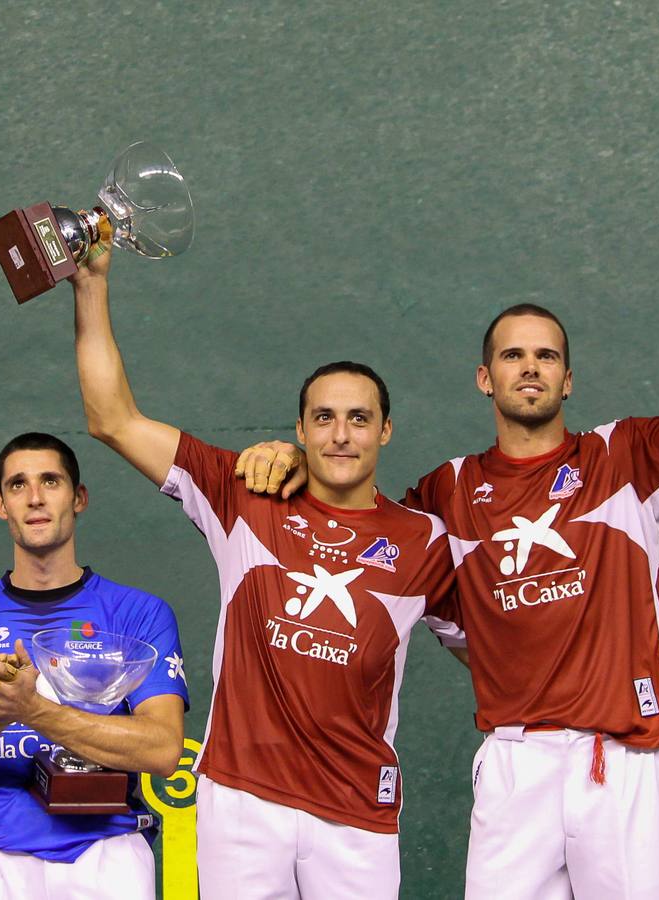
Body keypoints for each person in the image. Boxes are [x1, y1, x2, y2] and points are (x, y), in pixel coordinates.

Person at [236, 205, 659, 899]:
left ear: (568, 380)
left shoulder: (627, 457)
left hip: (624, 762)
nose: (531, 367)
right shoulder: (447, 491)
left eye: (547, 356)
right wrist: (288, 457)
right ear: (485, 378)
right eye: (513, 355)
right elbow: (355, 516)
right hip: (515, 766)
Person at [69, 232, 463, 899]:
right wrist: (91, 285)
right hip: (244, 804)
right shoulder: (242, 491)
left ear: (385, 431)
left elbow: (502, 648)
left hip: (358, 818)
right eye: (324, 418)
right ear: (301, 428)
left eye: (359, 419)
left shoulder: (425, 540)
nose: (341, 435)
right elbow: (112, 419)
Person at [0, 432, 188, 900]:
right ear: (1, 504)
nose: (35, 498)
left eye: (51, 481)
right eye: (18, 485)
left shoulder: (140, 614)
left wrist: (31, 710)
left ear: (79, 498)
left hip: (107, 851)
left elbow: (163, 751)